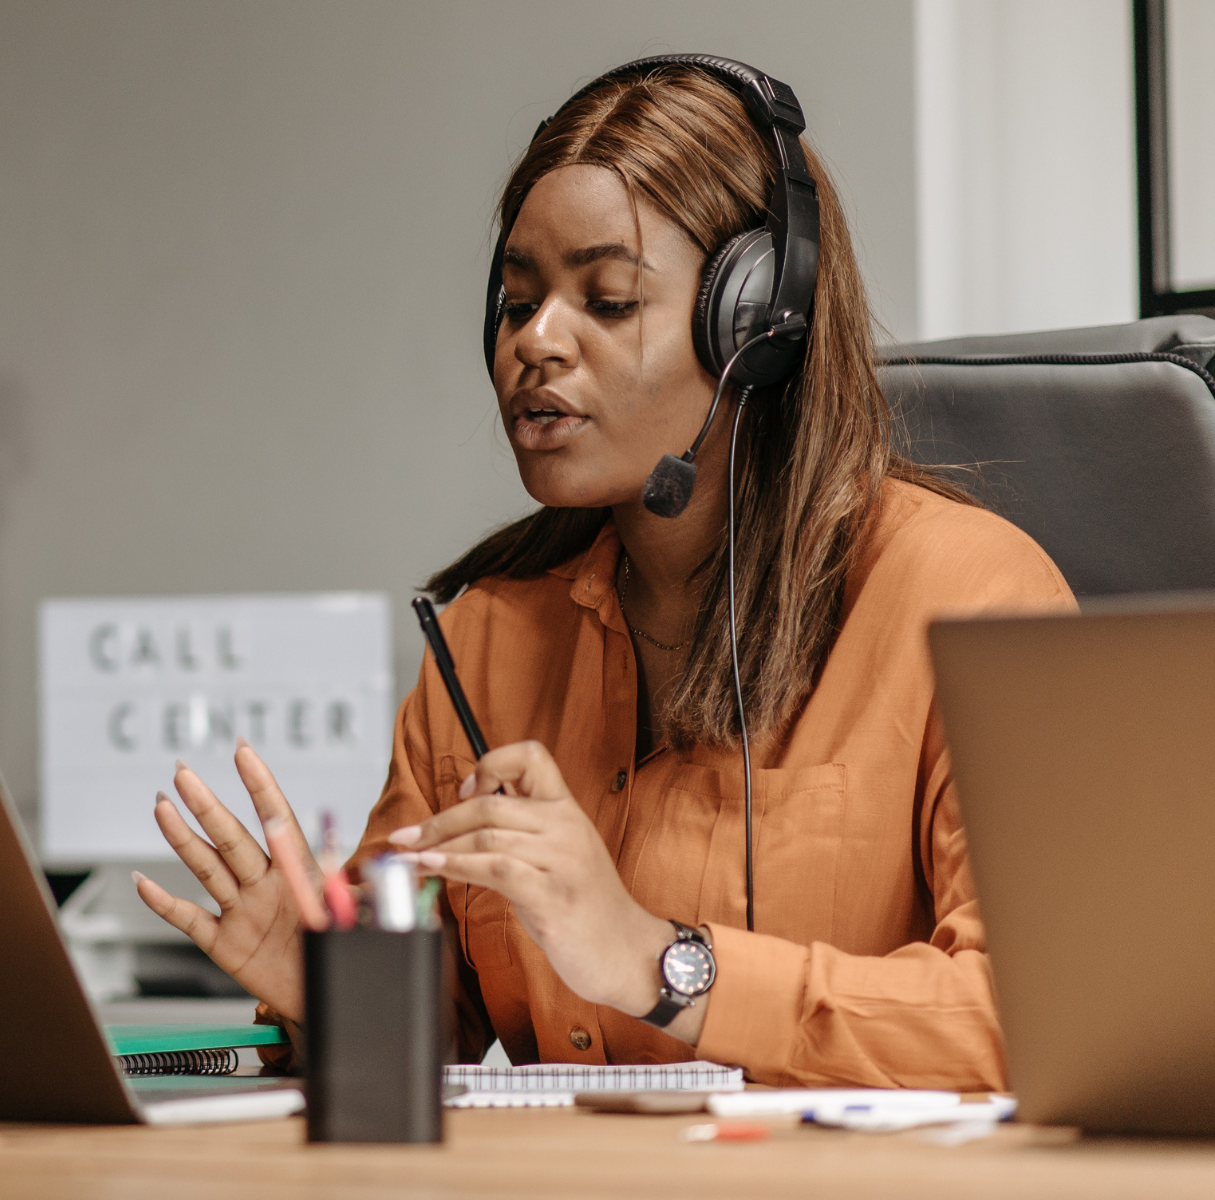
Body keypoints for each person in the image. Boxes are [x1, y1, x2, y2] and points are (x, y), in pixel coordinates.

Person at [131, 58, 1073, 1090]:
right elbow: (427, 1033)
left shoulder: (968, 595)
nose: (535, 340)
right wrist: (330, 996)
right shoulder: (486, 643)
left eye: (609, 300)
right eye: (516, 299)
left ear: (755, 326)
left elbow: (1041, 1015)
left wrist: (659, 963)